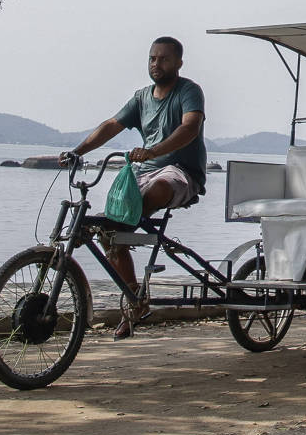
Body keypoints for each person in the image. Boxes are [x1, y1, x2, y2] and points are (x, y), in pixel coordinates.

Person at [64, 35, 207, 335]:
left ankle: (122, 225)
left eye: (164, 58)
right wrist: (77, 152)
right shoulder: (141, 97)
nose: (157, 64)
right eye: (152, 58)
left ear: (179, 62)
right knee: (109, 230)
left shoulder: (189, 91)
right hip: (144, 171)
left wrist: (155, 151)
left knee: (154, 192)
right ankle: (134, 298)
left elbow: (190, 127)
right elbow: (111, 126)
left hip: (180, 172)